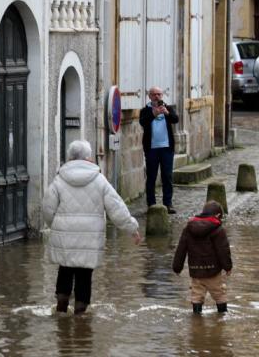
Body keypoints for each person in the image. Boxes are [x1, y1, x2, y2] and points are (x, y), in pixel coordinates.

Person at [42, 140, 141, 315]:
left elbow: (48, 210)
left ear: (70, 157)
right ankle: (80, 316)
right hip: (90, 239)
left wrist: (56, 227)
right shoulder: (99, 180)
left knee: (64, 270)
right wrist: (132, 228)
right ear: (88, 157)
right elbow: (116, 208)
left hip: (65, 237)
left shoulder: (59, 179)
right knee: (84, 275)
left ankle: (61, 309)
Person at [172, 201, 233, 314]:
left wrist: (177, 267)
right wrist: (228, 267)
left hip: (196, 271)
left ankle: (196, 321)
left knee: (196, 296)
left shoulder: (188, 228)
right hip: (213, 271)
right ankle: (222, 320)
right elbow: (223, 251)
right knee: (219, 295)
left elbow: (181, 250)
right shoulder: (218, 230)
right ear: (218, 215)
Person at [139, 86, 180, 214]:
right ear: (149, 96)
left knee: (167, 176)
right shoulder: (145, 110)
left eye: (159, 94)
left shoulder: (168, 108)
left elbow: (175, 119)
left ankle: (168, 204)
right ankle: (151, 204)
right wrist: (153, 114)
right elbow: (143, 122)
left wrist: (166, 113)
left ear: (162, 96)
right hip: (151, 149)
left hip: (166, 148)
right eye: (154, 94)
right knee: (151, 176)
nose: (157, 96)